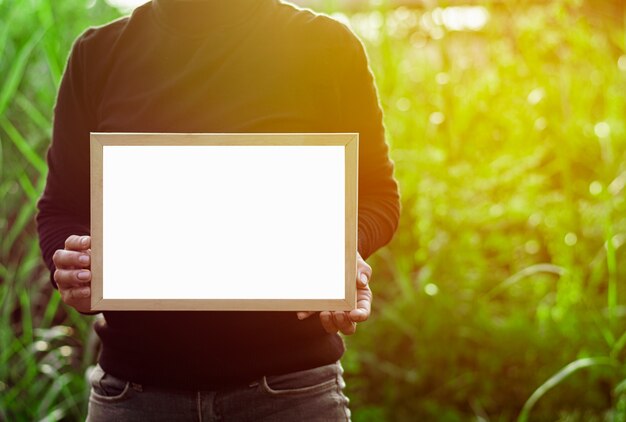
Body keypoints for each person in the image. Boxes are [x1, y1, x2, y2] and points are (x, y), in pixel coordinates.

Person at [35, 0, 401, 420]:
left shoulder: (325, 45)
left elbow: (377, 195)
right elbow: (61, 207)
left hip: (290, 395)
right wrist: (75, 267)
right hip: (135, 396)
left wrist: (341, 251)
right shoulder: (97, 53)